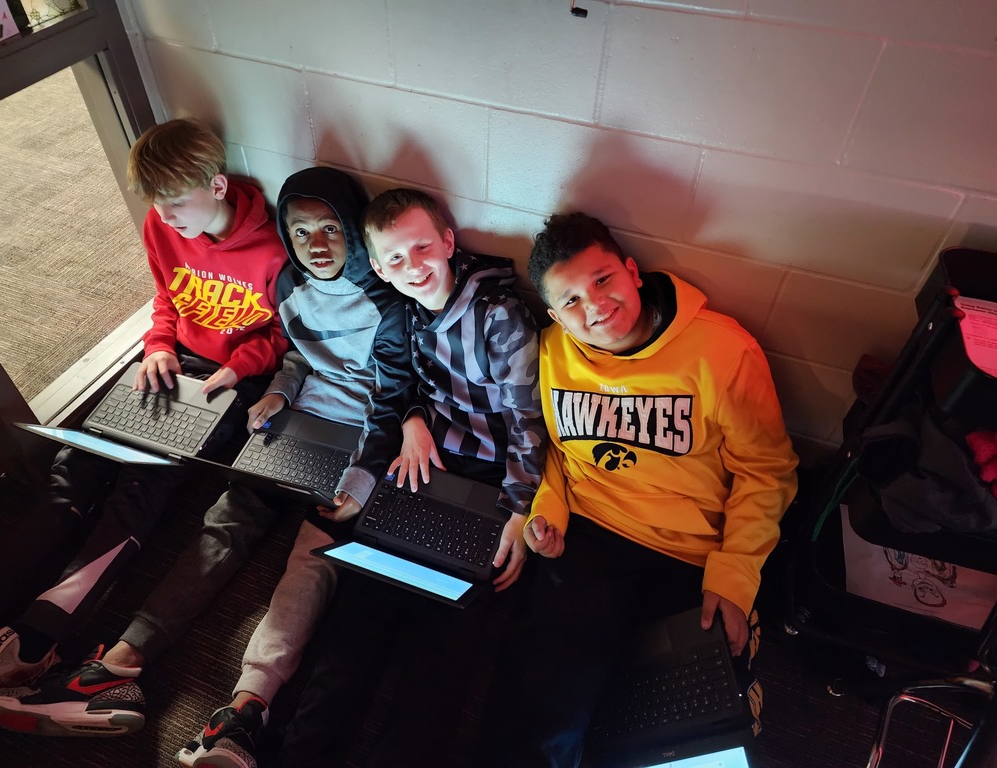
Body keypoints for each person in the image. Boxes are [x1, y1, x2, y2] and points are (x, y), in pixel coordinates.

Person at [0, 167, 414, 762]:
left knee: (311, 560)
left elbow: (393, 398)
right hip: (294, 424)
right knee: (223, 526)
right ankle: (116, 668)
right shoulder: (291, 282)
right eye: (301, 231)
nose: (316, 245)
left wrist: (363, 479)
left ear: (354, 231)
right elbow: (298, 355)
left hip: (357, 441)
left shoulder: (390, 302)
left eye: (331, 229)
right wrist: (279, 392)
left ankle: (246, 708)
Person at [0, 118, 288, 708]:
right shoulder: (161, 225)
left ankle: (36, 639)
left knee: (139, 488)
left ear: (217, 186)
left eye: (176, 202)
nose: (165, 216)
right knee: (76, 468)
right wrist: (158, 346)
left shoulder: (274, 248)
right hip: (170, 363)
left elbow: (282, 335)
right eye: (156, 204)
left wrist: (238, 368)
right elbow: (166, 297)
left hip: (227, 382)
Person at [494, 212, 799, 767]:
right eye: (571, 300)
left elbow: (767, 473)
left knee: (666, 726)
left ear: (632, 272)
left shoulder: (724, 351)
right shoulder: (552, 351)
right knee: (544, 709)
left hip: (690, 552)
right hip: (590, 536)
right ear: (555, 315)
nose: (594, 306)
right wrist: (549, 509)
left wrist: (735, 576)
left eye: (602, 280)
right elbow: (556, 452)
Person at [276, 187, 546, 766]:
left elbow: (530, 421)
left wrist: (520, 510)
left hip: (492, 482)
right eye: (395, 258)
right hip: (424, 466)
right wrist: (413, 418)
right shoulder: (402, 310)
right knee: (360, 610)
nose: (413, 266)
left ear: (448, 242)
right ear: (378, 267)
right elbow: (397, 387)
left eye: (422, 247)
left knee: (443, 643)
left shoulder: (499, 316)